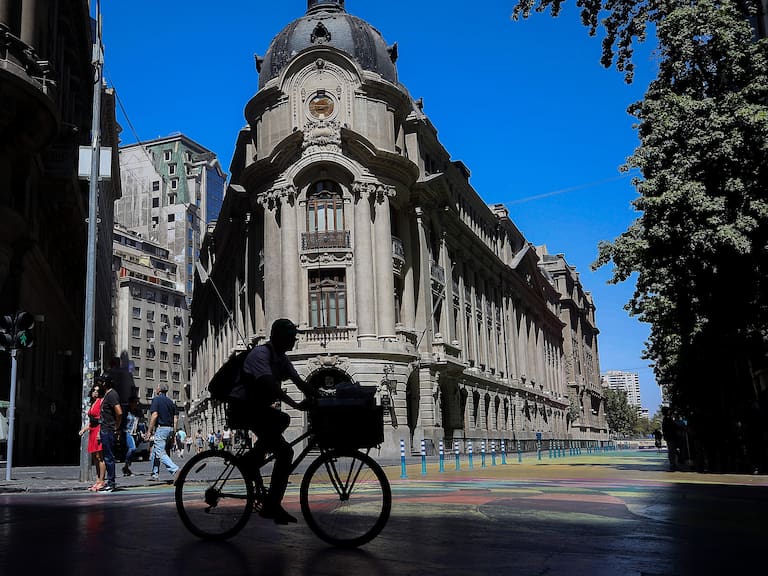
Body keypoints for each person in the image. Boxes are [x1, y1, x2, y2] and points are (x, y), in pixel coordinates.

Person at [228, 318, 314, 525]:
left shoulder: (282, 359)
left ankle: (252, 460)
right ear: (279, 336)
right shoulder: (261, 354)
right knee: (285, 452)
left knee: (282, 419)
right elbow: (270, 386)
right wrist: (295, 404)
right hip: (242, 407)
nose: (294, 340)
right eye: (291, 336)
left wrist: (323, 397)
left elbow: (301, 383)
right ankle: (271, 504)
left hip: (257, 409)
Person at [144, 383, 179, 481]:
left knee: (159, 452)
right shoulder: (171, 402)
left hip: (161, 428)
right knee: (155, 452)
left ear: (159, 390)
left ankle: (175, 470)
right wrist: (174, 433)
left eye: (156, 387)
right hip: (170, 429)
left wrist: (149, 431)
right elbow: (175, 418)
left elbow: (154, 415)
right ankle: (154, 474)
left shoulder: (156, 399)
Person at [79, 382, 106, 491]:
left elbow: (101, 419)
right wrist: (84, 429)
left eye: (97, 391)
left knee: (100, 457)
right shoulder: (93, 402)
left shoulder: (100, 402)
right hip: (92, 431)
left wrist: (100, 432)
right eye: (93, 390)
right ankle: (97, 480)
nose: (95, 393)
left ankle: (102, 481)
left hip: (98, 431)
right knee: (95, 458)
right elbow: (92, 421)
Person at [98, 374, 123, 492]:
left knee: (109, 457)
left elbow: (119, 412)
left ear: (106, 383)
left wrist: (116, 427)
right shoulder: (107, 395)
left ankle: (111, 483)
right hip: (105, 429)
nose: (100, 384)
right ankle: (110, 482)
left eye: (102, 382)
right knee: (107, 456)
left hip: (108, 430)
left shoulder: (112, 395)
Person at [122, 396, 141, 477]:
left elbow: (138, 423)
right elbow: (122, 420)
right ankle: (126, 465)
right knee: (132, 448)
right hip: (126, 432)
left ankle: (126, 467)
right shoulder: (126, 411)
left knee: (132, 450)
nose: (136, 404)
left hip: (134, 433)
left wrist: (141, 432)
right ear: (130, 403)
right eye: (135, 402)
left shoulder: (137, 412)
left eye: (137, 402)